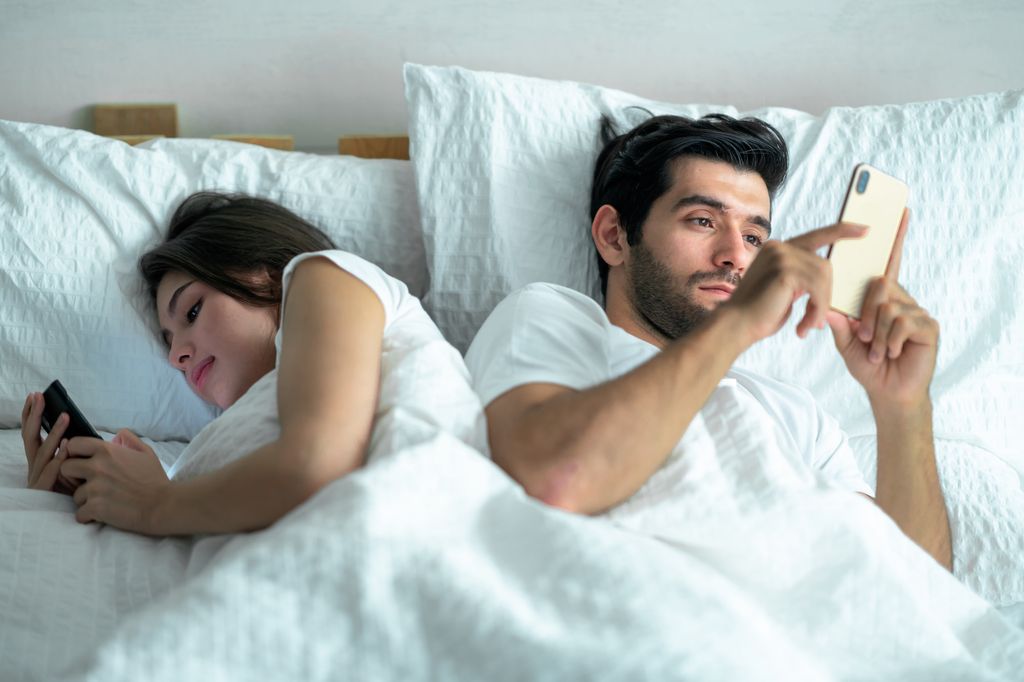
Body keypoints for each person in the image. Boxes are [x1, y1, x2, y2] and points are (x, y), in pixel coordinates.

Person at [465, 114, 952, 570]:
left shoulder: (795, 415)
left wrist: (903, 405)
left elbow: (917, 597)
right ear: (614, 235)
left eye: (755, 237)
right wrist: (737, 325)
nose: (735, 257)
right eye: (703, 220)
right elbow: (552, 480)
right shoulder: (553, 318)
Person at [21, 192, 480, 536]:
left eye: (193, 311)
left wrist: (154, 503)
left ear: (264, 271)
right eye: (169, 341)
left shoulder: (325, 276)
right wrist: (105, 494)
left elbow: (315, 464)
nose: (176, 356)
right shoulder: (228, 438)